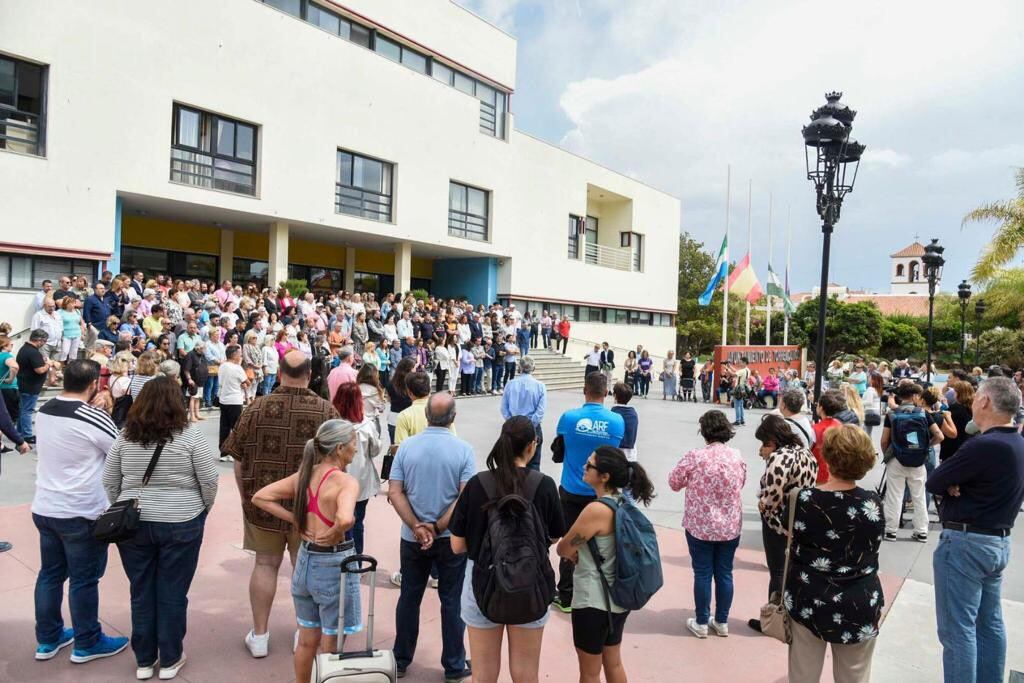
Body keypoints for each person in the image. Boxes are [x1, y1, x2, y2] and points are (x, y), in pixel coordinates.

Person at [222, 350, 339, 658]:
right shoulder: (327, 411)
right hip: (310, 508)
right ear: (310, 373)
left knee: (265, 564)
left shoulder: (256, 407)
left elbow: (237, 458)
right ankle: (304, 632)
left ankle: (259, 636)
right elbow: (339, 465)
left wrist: (246, 496)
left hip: (263, 504)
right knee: (306, 569)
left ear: (279, 371)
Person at [103, 376, 218, 680]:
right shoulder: (191, 437)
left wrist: (124, 505)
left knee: (141, 589)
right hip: (181, 519)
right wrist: (203, 508)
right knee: (172, 591)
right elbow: (209, 479)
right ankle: (170, 657)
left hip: (135, 523)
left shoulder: (125, 436)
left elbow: (109, 480)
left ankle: (144, 659)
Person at [449, 416, 566, 683]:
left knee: (484, 674)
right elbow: (556, 535)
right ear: (532, 446)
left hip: (482, 583)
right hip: (530, 583)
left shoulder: (478, 484)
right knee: (526, 673)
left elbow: (456, 545)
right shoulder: (544, 484)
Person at [925, 377, 1024, 683]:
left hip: (967, 542)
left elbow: (935, 480)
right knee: (989, 623)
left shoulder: (984, 445)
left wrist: (956, 483)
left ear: (984, 402)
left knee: (958, 631)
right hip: (997, 541)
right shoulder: (1016, 443)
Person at [31, 359, 130, 663]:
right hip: (80, 509)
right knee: (84, 579)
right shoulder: (92, 416)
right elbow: (120, 450)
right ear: (93, 385)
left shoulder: (44, 408)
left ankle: (48, 639)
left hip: (46, 505)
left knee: (50, 574)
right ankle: (87, 641)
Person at [251, 419, 361, 683]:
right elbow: (345, 519)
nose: (356, 450)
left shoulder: (303, 475)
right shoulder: (345, 481)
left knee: (307, 639)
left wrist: (296, 520)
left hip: (306, 561)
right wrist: (333, 533)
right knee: (332, 644)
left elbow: (261, 496)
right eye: (353, 444)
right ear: (339, 448)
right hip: (334, 564)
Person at [388, 392, 475, 681]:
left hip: (412, 538)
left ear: (426, 416)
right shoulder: (463, 450)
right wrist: (437, 527)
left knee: (409, 596)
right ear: (453, 417)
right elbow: (464, 498)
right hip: (449, 538)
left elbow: (395, 491)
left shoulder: (407, 448)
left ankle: (401, 659)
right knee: (452, 601)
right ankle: (453, 664)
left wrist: (416, 526)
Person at [786, 425, 883, 683]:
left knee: (803, 673)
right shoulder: (872, 503)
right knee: (854, 674)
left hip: (809, 595)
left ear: (827, 457)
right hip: (859, 597)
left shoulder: (805, 499)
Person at [556, 446, 655, 683]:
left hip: (593, 601)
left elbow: (564, 548)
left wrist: (573, 550)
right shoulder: (622, 503)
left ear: (605, 476)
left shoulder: (596, 510)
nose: (584, 467)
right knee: (614, 661)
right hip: (618, 599)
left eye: (589, 465)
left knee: (589, 672)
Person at [668, 410, 746, 638]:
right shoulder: (736, 456)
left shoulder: (695, 456)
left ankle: (701, 621)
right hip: (729, 524)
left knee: (702, 573)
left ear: (704, 431)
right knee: (725, 572)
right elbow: (740, 482)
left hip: (700, 524)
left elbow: (674, 482)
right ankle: (722, 621)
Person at [552, 372, 625, 613]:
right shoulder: (616, 422)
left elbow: (561, 444)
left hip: (571, 490)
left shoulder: (569, 418)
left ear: (584, 389)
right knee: (601, 544)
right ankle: (598, 593)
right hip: (601, 495)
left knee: (570, 540)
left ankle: (565, 596)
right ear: (607, 393)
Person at [747, 413, 818, 634]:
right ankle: (793, 613)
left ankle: (774, 619)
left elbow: (772, 493)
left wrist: (763, 505)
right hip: (800, 520)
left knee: (777, 570)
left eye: (765, 442)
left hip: (777, 522)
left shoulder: (779, 458)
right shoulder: (805, 453)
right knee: (793, 568)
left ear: (773, 440)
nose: (763, 447)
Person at [880, 382, 943, 542]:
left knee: (894, 495)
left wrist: (888, 454)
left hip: (896, 459)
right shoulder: (923, 413)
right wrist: (926, 447)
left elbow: (884, 440)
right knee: (919, 495)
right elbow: (940, 436)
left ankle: (890, 531)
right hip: (918, 460)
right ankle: (921, 531)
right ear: (915, 396)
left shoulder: (892, 414)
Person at [332, 381, 382, 555]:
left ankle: (340, 557)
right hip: (361, 480)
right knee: (357, 521)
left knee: (337, 519)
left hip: (336, 479)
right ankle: (357, 559)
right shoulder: (366, 424)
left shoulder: (332, 425)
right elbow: (375, 450)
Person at [500, 355, 547, 470]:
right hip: (533, 427)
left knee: (511, 461)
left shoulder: (510, 384)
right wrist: (530, 425)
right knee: (533, 463)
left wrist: (512, 421)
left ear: (519, 368)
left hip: (513, 427)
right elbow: (540, 411)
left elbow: (504, 408)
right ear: (533, 368)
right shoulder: (540, 386)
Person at [16, 328, 51, 444]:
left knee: (23, 410)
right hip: (30, 386)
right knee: (27, 410)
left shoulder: (23, 349)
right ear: (39, 340)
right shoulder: (33, 352)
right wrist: (48, 364)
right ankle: (27, 435)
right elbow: (40, 370)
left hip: (24, 384)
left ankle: (20, 432)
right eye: (44, 341)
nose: (44, 344)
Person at [217, 344, 249, 463]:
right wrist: (242, 384)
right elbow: (247, 382)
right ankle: (234, 452)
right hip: (235, 400)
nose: (240, 356)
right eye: (239, 354)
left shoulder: (222, 366)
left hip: (224, 399)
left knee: (224, 427)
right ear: (234, 355)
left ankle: (223, 452)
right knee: (236, 428)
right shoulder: (237, 368)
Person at [811, 389, 847, 483]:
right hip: (837, 468)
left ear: (821, 408)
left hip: (821, 469)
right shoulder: (839, 424)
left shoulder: (815, 428)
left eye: (817, 405)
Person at [938, 380, 974, 462]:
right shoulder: (971, 407)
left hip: (952, 447)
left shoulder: (956, 408)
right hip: (966, 444)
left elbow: (945, 423)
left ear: (958, 393)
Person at [610, 382, 639, 462]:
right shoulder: (633, 414)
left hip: (615, 455)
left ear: (614, 396)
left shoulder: (612, 414)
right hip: (631, 455)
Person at [181, 340, 209, 422]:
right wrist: (189, 379)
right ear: (199, 348)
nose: (205, 349)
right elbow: (186, 369)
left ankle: (197, 414)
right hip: (193, 380)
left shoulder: (202, 355)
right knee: (192, 398)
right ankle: (192, 416)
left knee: (198, 398)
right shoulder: (190, 355)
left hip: (201, 380)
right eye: (204, 348)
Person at [58, 296, 86, 362]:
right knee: (64, 352)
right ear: (66, 304)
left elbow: (82, 322)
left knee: (74, 353)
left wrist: (83, 332)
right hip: (65, 335)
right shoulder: (60, 312)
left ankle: (71, 368)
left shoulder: (77, 311)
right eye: (70, 303)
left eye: (73, 303)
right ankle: (60, 368)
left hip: (77, 334)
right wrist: (60, 335)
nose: (72, 305)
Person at [730, 357, 750, 425]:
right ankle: (742, 419)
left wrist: (727, 369)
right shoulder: (747, 370)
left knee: (737, 405)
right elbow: (737, 371)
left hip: (738, 388)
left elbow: (733, 374)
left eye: (741, 362)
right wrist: (729, 366)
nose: (739, 363)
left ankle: (738, 420)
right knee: (741, 405)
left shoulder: (742, 370)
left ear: (744, 363)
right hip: (743, 388)